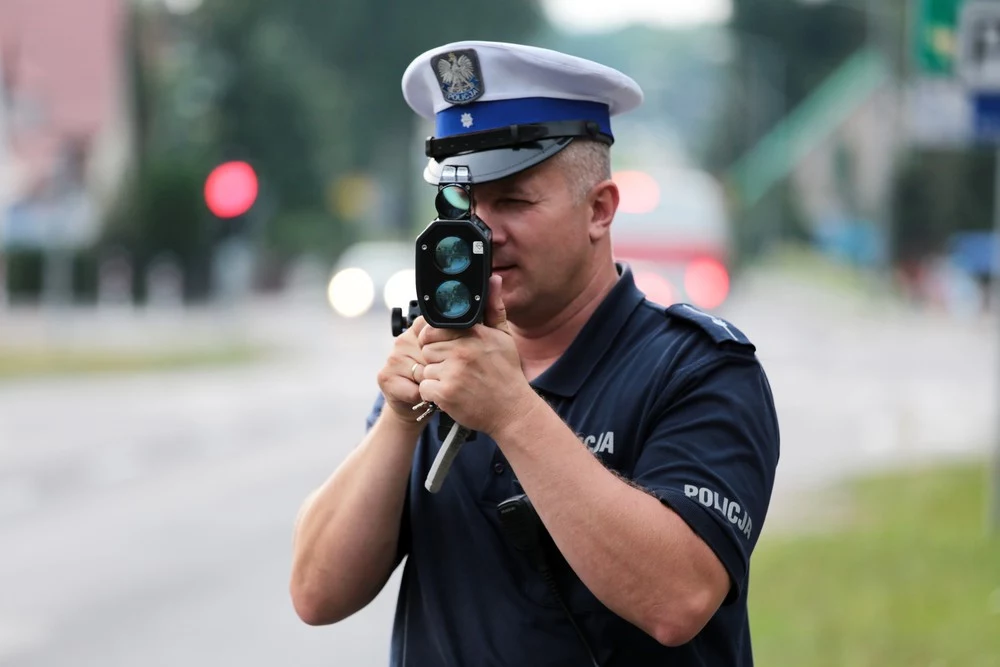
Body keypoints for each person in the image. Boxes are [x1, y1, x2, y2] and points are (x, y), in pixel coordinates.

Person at [290, 40, 780, 667]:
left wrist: (514, 413)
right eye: (464, 205)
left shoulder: (698, 370)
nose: (482, 234)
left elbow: (677, 600)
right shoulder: (445, 361)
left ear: (599, 210)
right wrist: (397, 419)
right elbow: (315, 593)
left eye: (514, 202)